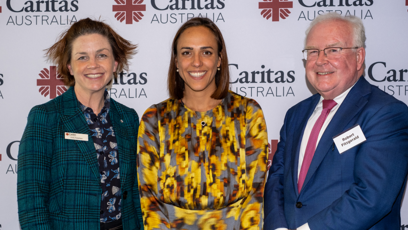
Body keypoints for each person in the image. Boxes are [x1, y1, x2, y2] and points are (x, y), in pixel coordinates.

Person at [264, 13, 408, 229]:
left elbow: (372, 197)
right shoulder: (296, 114)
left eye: (333, 50)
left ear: (359, 57)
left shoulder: (386, 113)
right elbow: (277, 179)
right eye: (313, 51)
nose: (321, 60)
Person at [137, 17, 269, 229]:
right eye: (187, 52)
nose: (196, 62)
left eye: (206, 52)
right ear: (176, 61)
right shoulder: (155, 119)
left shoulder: (247, 114)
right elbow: (150, 201)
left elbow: (254, 197)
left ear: (219, 60)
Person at [17, 18, 143, 230]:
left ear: (115, 64)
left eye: (102, 55)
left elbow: (135, 196)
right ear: (70, 67)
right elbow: (32, 202)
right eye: (82, 57)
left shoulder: (128, 118)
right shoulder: (46, 117)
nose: (93, 64)